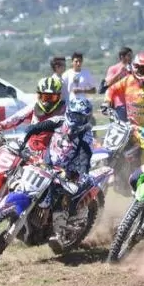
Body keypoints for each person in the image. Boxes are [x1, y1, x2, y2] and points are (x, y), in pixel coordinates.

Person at [19, 98, 96, 253]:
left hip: (69, 171)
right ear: (68, 113)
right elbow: (35, 128)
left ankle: (58, 234)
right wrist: (23, 141)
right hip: (47, 162)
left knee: (61, 195)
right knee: (23, 177)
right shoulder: (58, 121)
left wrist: (74, 173)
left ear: (86, 119)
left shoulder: (86, 135)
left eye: (80, 118)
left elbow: (85, 156)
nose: (75, 120)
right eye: (74, 115)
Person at [0, 76, 66, 152]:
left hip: (56, 151)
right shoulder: (34, 106)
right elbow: (17, 117)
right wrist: (1, 125)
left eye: (52, 97)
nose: (48, 101)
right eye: (45, 97)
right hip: (32, 149)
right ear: (39, 95)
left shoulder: (65, 110)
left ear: (59, 96)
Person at [104, 52, 144, 127]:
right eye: (143, 69)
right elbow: (111, 89)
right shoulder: (128, 80)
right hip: (132, 127)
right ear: (135, 67)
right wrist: (107, 102)